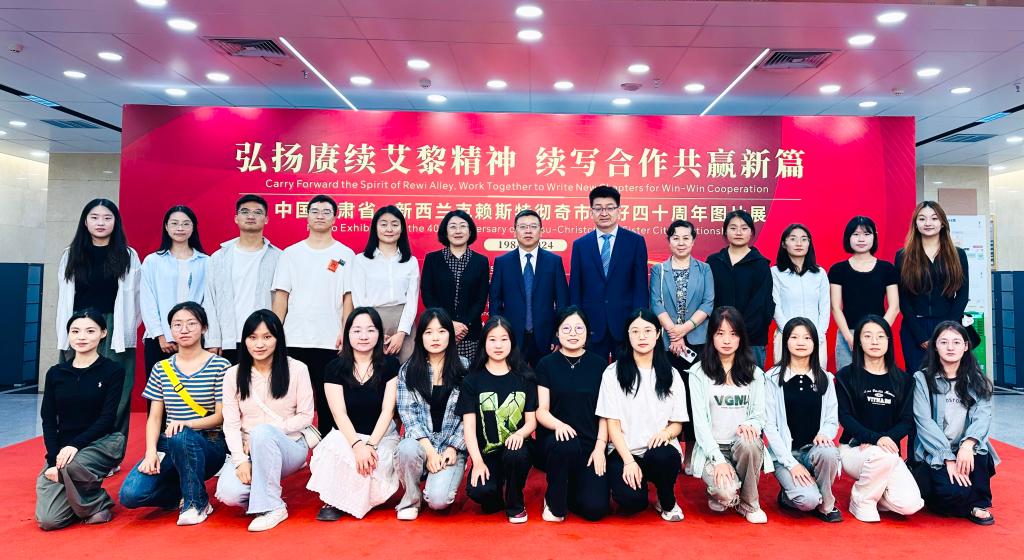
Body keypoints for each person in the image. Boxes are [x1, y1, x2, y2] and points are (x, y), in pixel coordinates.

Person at [119, 302, 230, 526]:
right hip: (169, 442)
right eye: (177, 325)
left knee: (182, 435)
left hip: (209, 443)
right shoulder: (161, 368)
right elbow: (155, 417)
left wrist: (187, 423)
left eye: (191, 324)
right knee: (131, 495)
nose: (184, 330)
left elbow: (221, 416)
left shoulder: (220, 366)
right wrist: (151, 452)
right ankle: (184, 492)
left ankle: (196, 503)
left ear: (204, 328)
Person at [215, 310, 315, 532]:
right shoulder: (233, 375)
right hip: (247, 449)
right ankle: (263, 495)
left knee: (262, 433)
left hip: (290, 446)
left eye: (267, 337)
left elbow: (306, 416)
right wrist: (240, 461)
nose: (259, 344)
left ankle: (273, 507)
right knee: (228, 493)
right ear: (245, 340)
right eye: (253, 337)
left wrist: (264, 433)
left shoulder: (297, 369)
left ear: (278, 339)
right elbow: (230, 424)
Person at [55, 199, 140, 443]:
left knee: (117, 387)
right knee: (75, 386)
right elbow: (64, 297)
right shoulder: (71, 254)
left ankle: (110, 446)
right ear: (85, 221)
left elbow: (136, 296)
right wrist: (70, 331)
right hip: (79, 326)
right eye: (94, 217)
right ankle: (73, 443)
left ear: (116, 222)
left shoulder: (127, 255)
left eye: (107, 218)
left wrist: (125, 329)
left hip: (114, 327)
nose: (100, 223)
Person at [306, 308, 401, 521]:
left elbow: (388, 411)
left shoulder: (391, 365)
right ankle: (336, 500)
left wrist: (370, 445)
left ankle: (349, 498)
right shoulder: (334, 367)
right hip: (347, 436)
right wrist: (358, 445)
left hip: (382, 437)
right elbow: (338, 413)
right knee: (335, 449)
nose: (364, 336)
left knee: (374, 461)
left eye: (370, 330)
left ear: (380, 334)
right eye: (357, 330)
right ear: (347, 334)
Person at [272, 194, 355, 433]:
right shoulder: (291, 254)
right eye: (315, 211)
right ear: (306, 217)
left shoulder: (345, 254)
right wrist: (275, 334)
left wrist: (345, 332)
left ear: (335, 219)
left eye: (326, 212)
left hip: (330, 340)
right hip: (294, 338)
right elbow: (281, 297)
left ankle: (329, 446)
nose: (320, 216)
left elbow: (348, 298)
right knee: (290, 399)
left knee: (329, 400)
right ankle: (290, 445)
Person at [36, 310, 126, 530]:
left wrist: (74, 446)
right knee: (50, 520)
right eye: (75, 331)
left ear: (103, 333)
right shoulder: (56, 373)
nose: (81, 337)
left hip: (103, 442)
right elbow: (48, 419)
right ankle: (83, 504)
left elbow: (107, 419)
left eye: (90, 331)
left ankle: (98, 502)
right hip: (64, 450)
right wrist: (53, 459)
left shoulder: (113, 370)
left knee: (72, 465)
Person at [596, 308, 688, 522]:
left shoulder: (671, 374)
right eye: (635, 331)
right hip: (624, 451)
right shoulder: (612, 373)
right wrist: (628, 461)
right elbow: (612, 425)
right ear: (627, 335)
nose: (642, 337)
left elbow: (677, 424)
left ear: (658, 334)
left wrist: (665, 434)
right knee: (632, 502)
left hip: (659, 451)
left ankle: (666, 498)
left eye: (647, 331)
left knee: (663, 457)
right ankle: (635, 484)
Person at [836, 315, 924, 523]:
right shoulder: (846, 376)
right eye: (867, 336)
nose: (874, 341)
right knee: (880, 455)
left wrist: (883, 440)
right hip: (854, 449)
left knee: (910, 505)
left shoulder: (903, 380)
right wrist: (875, 439)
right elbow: (845, 417)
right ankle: (861, 499)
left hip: (888, 452)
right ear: (859, 342)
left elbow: (907, 420)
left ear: (889, 341)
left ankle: (875, 494)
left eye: (880, 336)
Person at [689, 306, 772, 524]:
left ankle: (749, 503)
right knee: (725, 494)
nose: (727, 340)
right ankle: (721, 491)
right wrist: (718, 460)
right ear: (711, 336)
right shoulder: (698, 373)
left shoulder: (754, 373)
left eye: (733, 334)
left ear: (741, 337)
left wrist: (752, 424)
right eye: (720, 333)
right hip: (712, 448)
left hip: (741, 446)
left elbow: (759, 415)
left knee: (750, 442)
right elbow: (700, 424)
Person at [912, 321, 997, 525]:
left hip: (966, 450)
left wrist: (968, 445)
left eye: (957, 342)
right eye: (944, 342)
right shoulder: (922, 379)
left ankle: (977, 504)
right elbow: (924, 423)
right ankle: (961, 499)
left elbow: (983, 416)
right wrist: (947, 457)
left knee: (980, 451)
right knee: (951, 494)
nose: (950, 347)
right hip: (935, 451)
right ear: (935, 346)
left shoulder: (977, 379)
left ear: (965, 346)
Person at [456, 316, 538, 523]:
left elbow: (531, 421)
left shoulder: (525, 377)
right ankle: (497, 486)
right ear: (484, 343)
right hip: (488, 452)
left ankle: (515, 502)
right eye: (492, 339)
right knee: (481, 493)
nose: (498, 345)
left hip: (517, 449)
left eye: (504, 339)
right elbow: (469, 428)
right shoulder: (472, 380)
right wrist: (477, 462)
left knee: (516, 454)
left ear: (512, 342)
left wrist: (520, 434)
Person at [649, 219, 714, 473]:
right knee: (668, 396)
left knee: (694, 398)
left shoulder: (704, 269)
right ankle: (670, 448)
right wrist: (673, 335)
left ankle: (692, 453)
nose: (681, 242)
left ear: (693, 240)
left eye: (686, 237)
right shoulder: (660, 270)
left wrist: (684, 330)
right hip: (667, 344)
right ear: (669, 241)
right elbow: (656, 303)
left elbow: (708, 303)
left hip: (697, 343)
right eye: (676, 237)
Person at [763, 317, 843, 522]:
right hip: (785, 454)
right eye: (794, 337)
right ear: (786, 342)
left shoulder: (826, 378)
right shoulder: (772, 378)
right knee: (807, 501)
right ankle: (788, 496)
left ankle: (827, 503)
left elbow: (832, 419)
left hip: (813, 452)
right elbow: (769, 426)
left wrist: (825, 433)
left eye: (807, 338)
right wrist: (791, 464)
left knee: (829, 452)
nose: (801, 342)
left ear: (815, 342)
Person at [535, 306, 610, 522]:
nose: (573, 333)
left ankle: (572, 488)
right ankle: (553, 501)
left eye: (579, 328)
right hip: (555, 442)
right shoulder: (546, 364)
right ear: (557, 333)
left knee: (595, 509)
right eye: (566, 328)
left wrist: (600, 448)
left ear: (587, 332)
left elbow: (605, 413)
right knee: (566, 444)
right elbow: (541, 410)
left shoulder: (600, 365)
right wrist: (559, 425)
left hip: (589, 444)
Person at [395, 308, 469, 520]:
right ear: (420, 337)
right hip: (421, 443)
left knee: (438, 501)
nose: (435, 338)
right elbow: (408, 416)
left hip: (450, 447)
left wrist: (454, 447)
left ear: (450, 335)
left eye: (441, 331)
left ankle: (438, 481)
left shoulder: (465, 367)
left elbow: (469, 415)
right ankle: (412, 498)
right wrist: (429, 451)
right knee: (406, 448)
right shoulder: (409, 370)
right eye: (428, 332)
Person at [569, 185, 649, 360]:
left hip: (626, 323)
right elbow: (575, 288)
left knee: (627, 372)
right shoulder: (581, 245)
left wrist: (639, 322)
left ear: (619, 210)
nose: (604, 213)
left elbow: (641, 287)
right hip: (591, 324)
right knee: (593, 373)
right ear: (591, 211)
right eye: (598, 208)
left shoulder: (635, 242)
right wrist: (577, 323)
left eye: (610, 208)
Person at [203, 195, 281, 364]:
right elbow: (210, 300)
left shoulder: (279, 257)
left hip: (265, 340)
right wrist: (213, 339)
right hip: (228, 340)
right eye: (245, 212)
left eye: (257, 212)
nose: (251, 216)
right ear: (236, 218)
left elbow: (283, 302)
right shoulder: (219, 257)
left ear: (266, 219)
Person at [896, 202, 969, 373]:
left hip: (949, 324)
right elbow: (902, 298)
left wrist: (946, 330)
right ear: (915, 224)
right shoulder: (903, 256)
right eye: (922, 219)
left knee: (948, 376)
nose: (928, 223)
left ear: (942, 223)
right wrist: (920, 335)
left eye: (934, 218)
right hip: (915, 327)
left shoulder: (958, 254)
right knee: (917, 377)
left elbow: (963, 295)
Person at [490, 209, 569, 367]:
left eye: (533, 226)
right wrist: (499, 335)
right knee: (513, 378)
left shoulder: (553, 262)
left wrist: (558, 336)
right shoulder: (502, 262)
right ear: (515, 231)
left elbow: (562, 303)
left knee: (544, 379)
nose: (528, 231)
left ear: (541, 231)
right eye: (523, 227)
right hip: (511, 337)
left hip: (546, 338)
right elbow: (495, 302)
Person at [140, 205, 209, 377]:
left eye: (186, 224)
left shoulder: (206, 262)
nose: (180, 228)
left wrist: (198, 334)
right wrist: (160, 335)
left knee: (193, 389)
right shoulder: (153, 261)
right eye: (175, 223)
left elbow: (208, 301)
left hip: (195, 339)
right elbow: (147, 300)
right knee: (160, 389)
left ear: (193, 227)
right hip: (160, 340)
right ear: (166, 226)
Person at [829, 216, 899, 372]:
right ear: (848, 237)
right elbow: (835, 307)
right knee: (847, 380)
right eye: (856, 234)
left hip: (879, 334)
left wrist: (879, 333)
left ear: (874, 237)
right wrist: (849, 338)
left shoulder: (887, 268)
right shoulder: (838, 270)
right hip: (848, 334)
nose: (861, 239)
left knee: (879, 377)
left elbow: (894, 307)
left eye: (867, 234)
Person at [352, 205, 419, 364]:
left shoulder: (411, 261)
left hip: (404, 323)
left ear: (401, 229)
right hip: (371, 321)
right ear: (375, 228)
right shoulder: (361, 260)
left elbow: (412, 300)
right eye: (383, 224)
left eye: (395, 224)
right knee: (373, 369)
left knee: (407, 370)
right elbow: (359, 300)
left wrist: (401, 332)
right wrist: (373, 331)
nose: (389, 229)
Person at [421, 210, 490, 362]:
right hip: (439, 331)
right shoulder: (432, 259)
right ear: (445, 232)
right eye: (452, 226)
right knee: (439, 371)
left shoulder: (481, 261)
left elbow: (481, 299)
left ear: (470, 231)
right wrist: (448, 324)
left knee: (468, 372)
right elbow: (427, 294)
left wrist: (462, 326)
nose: (458, 231)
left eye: (463, 226)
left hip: (469, 333)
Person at [707, 210, 773, 367]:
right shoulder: (714, 262)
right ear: (725, 231)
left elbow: (761, 304)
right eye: (733, 228)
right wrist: (722, 330)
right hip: (719, 337)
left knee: (751, 380)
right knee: (718, 380)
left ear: (751, 232)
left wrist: (738, 332)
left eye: (744, 228)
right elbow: (708, 299)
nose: (738, 232)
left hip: (752, 340)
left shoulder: (761, 264)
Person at [771, 224, 830, 368]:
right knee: (785, 377)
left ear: (809, 243)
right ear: (784, 244)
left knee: (816, 378)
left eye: (804, 239)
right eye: (793, 239)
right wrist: (789, 334)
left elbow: (825, 306)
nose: (799, 243)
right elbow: (775, 306)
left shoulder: (820, 273)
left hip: (815, 337)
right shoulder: (775, 272)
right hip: (785, 336)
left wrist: (818, 335)